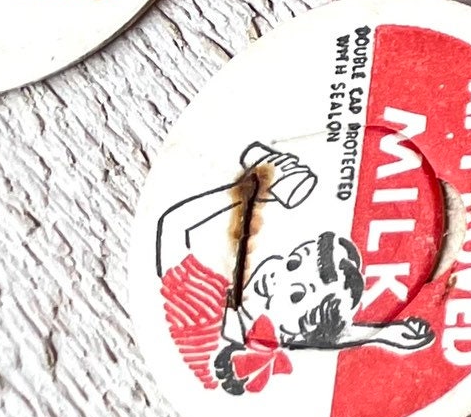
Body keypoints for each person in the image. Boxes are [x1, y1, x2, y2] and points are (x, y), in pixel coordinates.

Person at [151, 144, 432, 396]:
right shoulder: (216, 301)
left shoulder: (202, 311)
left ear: (296, 331)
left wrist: (252, 190)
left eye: (296, 294)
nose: (278, 277)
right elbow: (318, 336)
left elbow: (176, 226)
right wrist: (383, 333)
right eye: (293, 262)